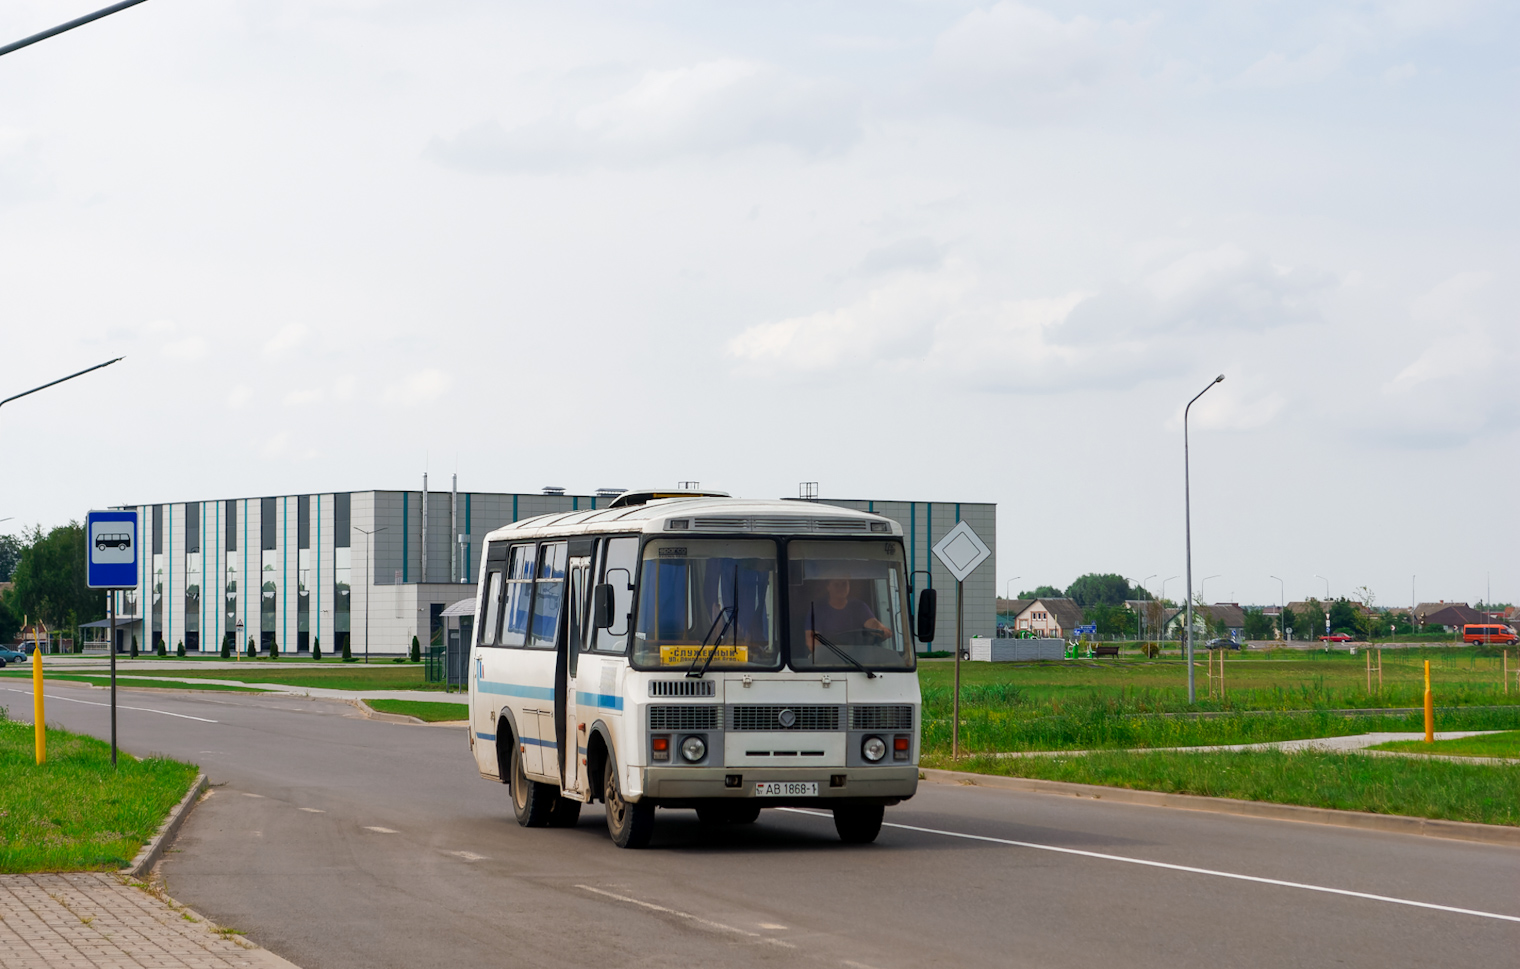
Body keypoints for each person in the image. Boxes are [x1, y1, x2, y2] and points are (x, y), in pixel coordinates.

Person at [804, 577, 892, 648]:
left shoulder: (859, 606)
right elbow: (812, 640)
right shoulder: (818, 610)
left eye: (844, 584)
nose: (841, 588)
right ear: (828, 587)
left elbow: (872, 623)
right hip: (830, 663)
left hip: (859, 662)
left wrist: (882, 629)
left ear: (849, 585)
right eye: (836, 585)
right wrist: (824, 660)